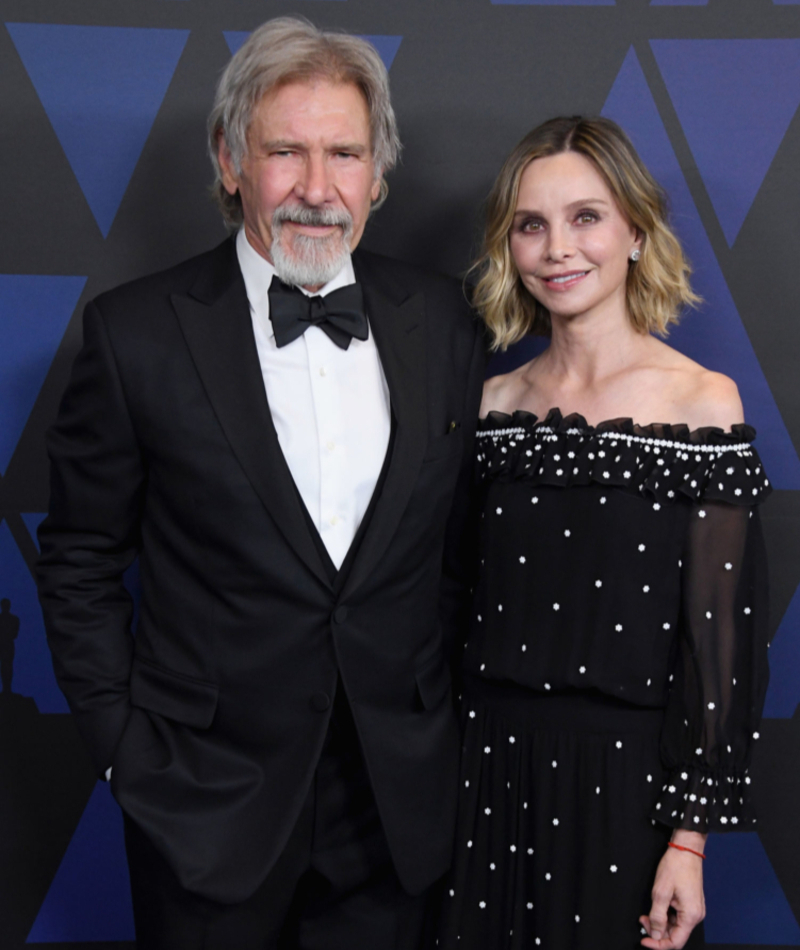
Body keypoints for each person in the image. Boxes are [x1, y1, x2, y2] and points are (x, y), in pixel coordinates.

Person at [36, 17, 484, 950]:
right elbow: (79, 559)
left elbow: (456, 553)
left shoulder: (445, 322)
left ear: (378, 172)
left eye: (345, 154)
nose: (317, 189)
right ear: (230, 158)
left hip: (395, 811)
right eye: (285, 151)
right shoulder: (136, 335)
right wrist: (125, 754)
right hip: (202, 804)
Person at [438, 116, 770, 950]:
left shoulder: (703, 403)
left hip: (628, 787)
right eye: (531, 224)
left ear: (634, 231)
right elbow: (450, 605)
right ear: (507, 246)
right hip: (482, 773)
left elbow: (718, 652)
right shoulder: (493, 404)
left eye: (585, 217)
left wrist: (687, 842)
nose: (558, 248)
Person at [0, 598, 20, 694]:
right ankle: (6, 688)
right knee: (6, 665)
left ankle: (7, 688)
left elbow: (15, 634)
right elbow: (14, 634)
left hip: (7, 644)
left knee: (7, 665)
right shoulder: (14, 619)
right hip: (5, 644)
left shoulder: (14, 619)